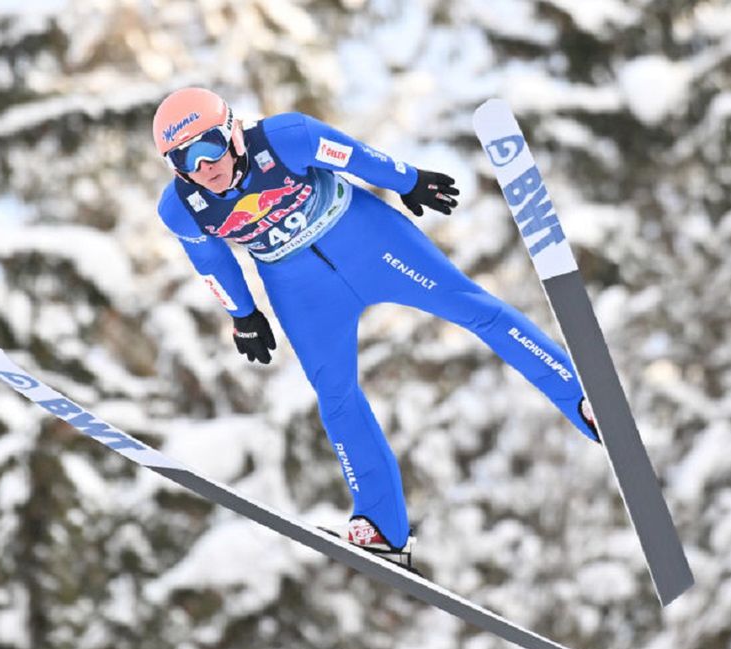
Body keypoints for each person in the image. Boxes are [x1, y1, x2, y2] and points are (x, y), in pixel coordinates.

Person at [152, 87, 597, 565]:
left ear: (234, 132)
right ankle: (383, 526)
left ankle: (583, 400)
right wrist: (242, 315)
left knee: (476, 309)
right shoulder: (181, 207)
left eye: (210, 146)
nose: (205, 166)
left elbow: (352, 155)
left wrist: (408, 181)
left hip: (369, 241)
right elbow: (210, 262)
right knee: (335, 393)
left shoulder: (286, 138)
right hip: (300, 290)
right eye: (186, 159)